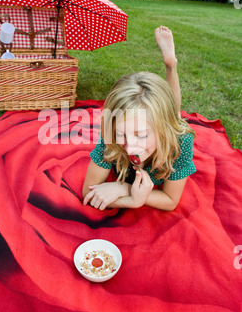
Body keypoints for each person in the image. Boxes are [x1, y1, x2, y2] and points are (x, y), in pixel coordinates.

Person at [82, 26, 196, 212]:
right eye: (121, 134)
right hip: (159, 124)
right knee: (165, 111)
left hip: (168, 127)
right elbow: (88, 192)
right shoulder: (111, 134)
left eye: (141, 135)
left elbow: (170, 200)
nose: (129, 147)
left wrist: (123, 188)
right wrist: (132, 201)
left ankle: (171, 65)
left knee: (172, 114)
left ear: (162, 132)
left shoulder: (180, 143)